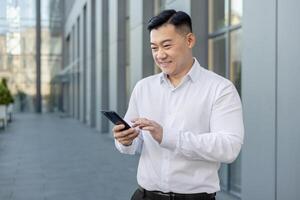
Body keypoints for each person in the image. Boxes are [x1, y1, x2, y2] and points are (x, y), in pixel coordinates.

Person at [113, 9, 244, 200]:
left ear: (189, 40)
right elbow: (134, 144)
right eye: (154, 48)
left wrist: (168, 136)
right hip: (145, 196)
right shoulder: (143, 87)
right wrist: (125, 139)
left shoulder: (220, 88)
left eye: (166, 45)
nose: (160, 55)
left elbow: (229, 147)